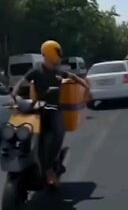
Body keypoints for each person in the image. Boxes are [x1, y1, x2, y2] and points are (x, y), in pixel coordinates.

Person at [9, 40, 92, 186]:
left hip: (55, 109)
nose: (60, 57)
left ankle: (48, 169)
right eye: (58, 53)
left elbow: (74, 77)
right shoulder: (36, 71)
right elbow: (21, 82)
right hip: (38, 108)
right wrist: (13, 96)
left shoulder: (59, 72)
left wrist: (87, 87)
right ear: (50, 53)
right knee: (20, 130)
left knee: (57, 132)